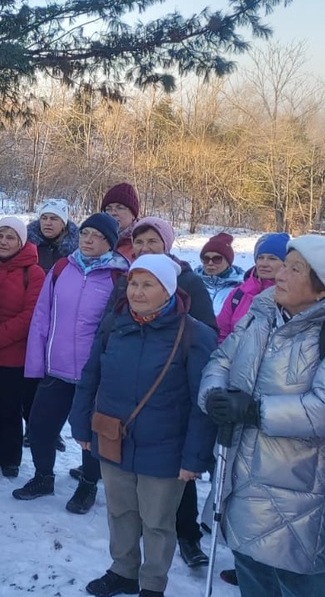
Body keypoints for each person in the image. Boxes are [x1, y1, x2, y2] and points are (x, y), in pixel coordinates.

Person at [201, 234, 325, 597]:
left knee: (296, 584)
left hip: (301, 491)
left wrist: (254, 411)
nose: (281, 274)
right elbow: (222, 358)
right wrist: (215, 395)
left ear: (323, 288)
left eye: (296, 269)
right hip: (243, 474)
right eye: (285, 263)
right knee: (250, 573)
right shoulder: (262, 313)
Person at [70, 255, 217, 597]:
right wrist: (81, 425)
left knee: (157, 522)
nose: (136, 292)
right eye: (133, 283)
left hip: (165, 447)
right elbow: (91, 375)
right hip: (112, 436)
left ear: (168, 290)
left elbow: (202, 402)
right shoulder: (114, 324)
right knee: (120, 512)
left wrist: (194, 458)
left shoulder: (194, 335)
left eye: (147, 284)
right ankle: (122, 570)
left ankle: (152, 583)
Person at [17, 213, 129, 511]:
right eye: (85, 233)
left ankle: (88, 486)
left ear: (110, 243)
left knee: (90, 436)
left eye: (97, 236)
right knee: (40, 428)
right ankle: (43, 477)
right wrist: (37, 361)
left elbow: (121, 327)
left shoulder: (120, 275)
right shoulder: (62, 267)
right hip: (56, 367)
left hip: (94, 374)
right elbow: (42, 315)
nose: (88, 240)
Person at [0, 218, 46, 478]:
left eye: (10, 237)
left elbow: (32, 314)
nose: (3, 242)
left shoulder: (33, 272)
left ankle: (10, 458)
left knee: (11, 408)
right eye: (0, 236)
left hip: (14, 353)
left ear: (21, 242)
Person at [215, 232, 289, 342]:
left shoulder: (293, 298)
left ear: (286, 263)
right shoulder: (238, 295)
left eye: (272, 258)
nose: (263, 263)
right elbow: (221, 334)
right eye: (260, 257)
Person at [27, 198, 79, 272]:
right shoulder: (26, 245)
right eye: (44, 218)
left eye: (54, 219)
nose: (48, 223)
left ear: (63, 224)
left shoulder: (76, 251)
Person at [197, 233, 245, 314]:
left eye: (217, 259)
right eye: (206, 259)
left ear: (228, 262)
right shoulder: (192, 284)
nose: (210, 263)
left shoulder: (241, 288)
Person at [100, 183, 140, 261]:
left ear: (133, 214)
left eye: (120, 208)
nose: (113, 213)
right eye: (108, 209)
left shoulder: (142, 243)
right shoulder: (92, 239)